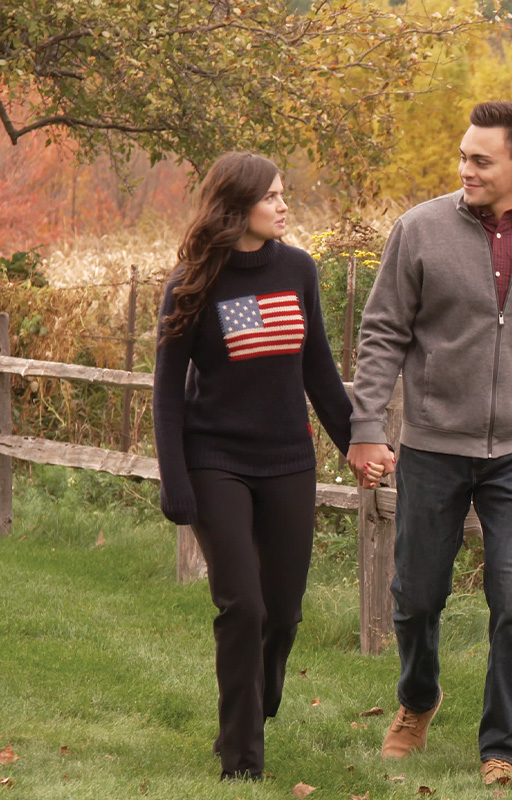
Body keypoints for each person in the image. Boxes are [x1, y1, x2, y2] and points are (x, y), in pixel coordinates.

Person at [347, 101, 512, 787]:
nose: (465, 169)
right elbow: (382, 334)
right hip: (431, 444)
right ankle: (417, 700)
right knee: (417, 595)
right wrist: (366, 425)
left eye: (480, 160)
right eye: (463, 156)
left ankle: (500, 745)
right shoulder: (419, 231)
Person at [153, 152, 383, 781]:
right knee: (243, 607)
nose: (285, 207)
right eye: (273, 198)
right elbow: (167, 393)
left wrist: (357, 442)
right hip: (214, 461)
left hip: (287, 461)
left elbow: (318, 374)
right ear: (238, 208)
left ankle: (256, 703)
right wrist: (175, 483)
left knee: (282, 612)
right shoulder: (194, 283)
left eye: (286, 196)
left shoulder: (298, 271)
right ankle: (241, 762)